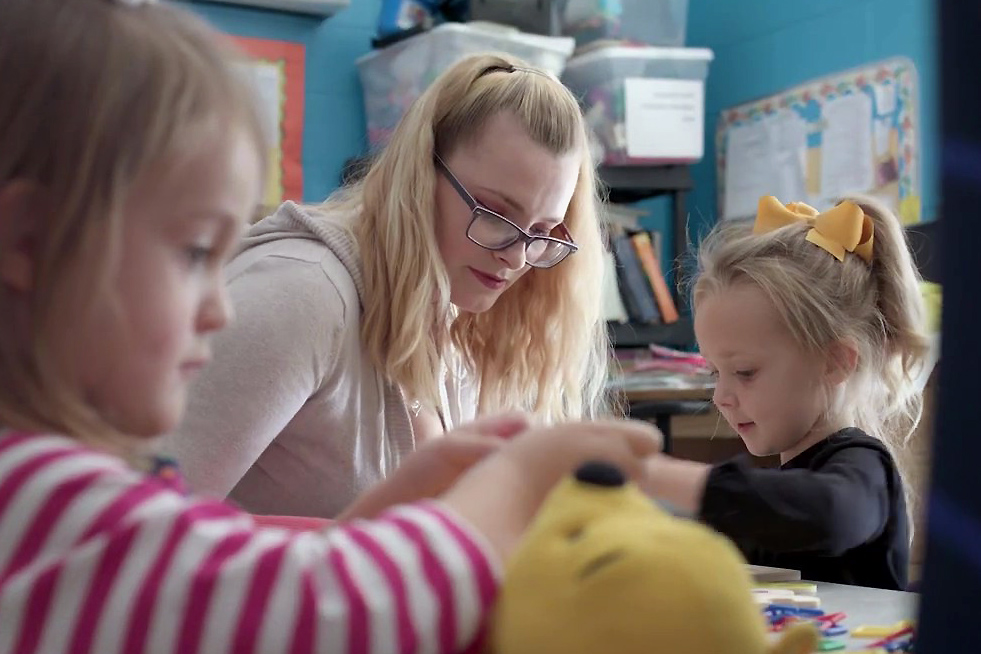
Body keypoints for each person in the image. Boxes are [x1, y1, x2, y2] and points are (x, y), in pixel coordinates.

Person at [0, 1, 662, 651]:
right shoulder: (47, 505)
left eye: (544, 235)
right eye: (197, 252)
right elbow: (313, 602)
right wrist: (517, 482)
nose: (518, 256)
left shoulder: (448, 324)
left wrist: (409, 495)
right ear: (28, 242)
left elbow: (235, 561)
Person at [167, 52, 612, 519]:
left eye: (542, 231)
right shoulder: (303, 294)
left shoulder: (455, 317)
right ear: (421, 171)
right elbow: (128, 540)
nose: (516, 256)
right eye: (495, 212)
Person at [642, 195, 929, 590]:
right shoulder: (780, 489)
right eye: (714, 372)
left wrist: (657, 475)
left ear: (835, 362)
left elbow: (828, 515)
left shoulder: (863, 467)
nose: (721, 396)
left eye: (744, 372)